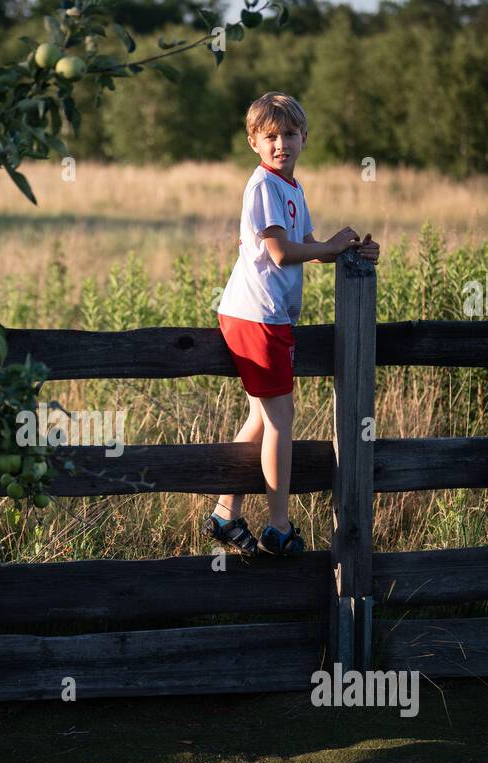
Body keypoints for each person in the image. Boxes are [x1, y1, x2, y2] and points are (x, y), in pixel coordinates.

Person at [205, 91, 380, 556]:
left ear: (304, 137)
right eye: (270, 136)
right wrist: (326, 248)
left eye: (289, 134)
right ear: (254, 143)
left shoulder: (293, 189)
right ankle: (279, 526)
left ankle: (225, 512)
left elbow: (305, 244)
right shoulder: (263, 187)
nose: (281, 143)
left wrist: (344, 248)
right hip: (255, 315)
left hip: (265, 315)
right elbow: (281, 253)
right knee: (281, 419)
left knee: (262, 418)